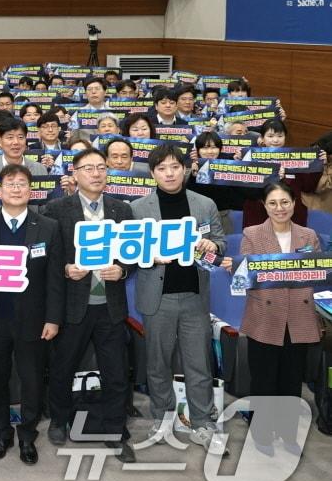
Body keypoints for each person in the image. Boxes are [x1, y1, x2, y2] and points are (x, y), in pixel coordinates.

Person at [130, 143, 226, 453]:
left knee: (199, 363)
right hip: (157, 297)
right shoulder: (138, 208)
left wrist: (214, 248)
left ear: (185, 169)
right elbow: (130, 253)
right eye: (162, 168)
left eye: (175, 167)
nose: (169, 173)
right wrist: (150, 257)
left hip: (195, 296)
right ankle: (163, 417)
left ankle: (203, 423)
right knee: (158, 364)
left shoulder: (205, 204)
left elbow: (220, 242)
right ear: (153, 173)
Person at [42, 147, 136, 461]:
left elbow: (133, 256)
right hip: (73, 305)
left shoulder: (121, 209)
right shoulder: (56, 209)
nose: (96, 173)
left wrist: (122, 270)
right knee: (63, 366)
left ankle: (115, 429)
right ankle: (58, 419)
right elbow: (46, 256)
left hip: (109, 305)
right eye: (89, 168)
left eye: (101, 167)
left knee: (116, 371)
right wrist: (64, 269)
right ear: (75, 173)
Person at [0, 163, 63, 466]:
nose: (16, 189)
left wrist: (52, 318)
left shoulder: (47, 226)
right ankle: (1, 433)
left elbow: (54, 279)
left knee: (32, 381)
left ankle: (26, 435)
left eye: (22, 184)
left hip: (33, 320)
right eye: (9, 184)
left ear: (31, 190)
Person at [238, 180, 322, 454]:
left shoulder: (308, 236)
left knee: (290, 380)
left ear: (294, 204)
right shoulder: (252, 234)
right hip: (266, 314)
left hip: (298, 315)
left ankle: (288, 436)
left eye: (285, 202)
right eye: (273, 203)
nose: (279, 208)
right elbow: (247, 275)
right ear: (264, 206)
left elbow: (317, 274)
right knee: (264, 379)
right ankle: (261, 435)